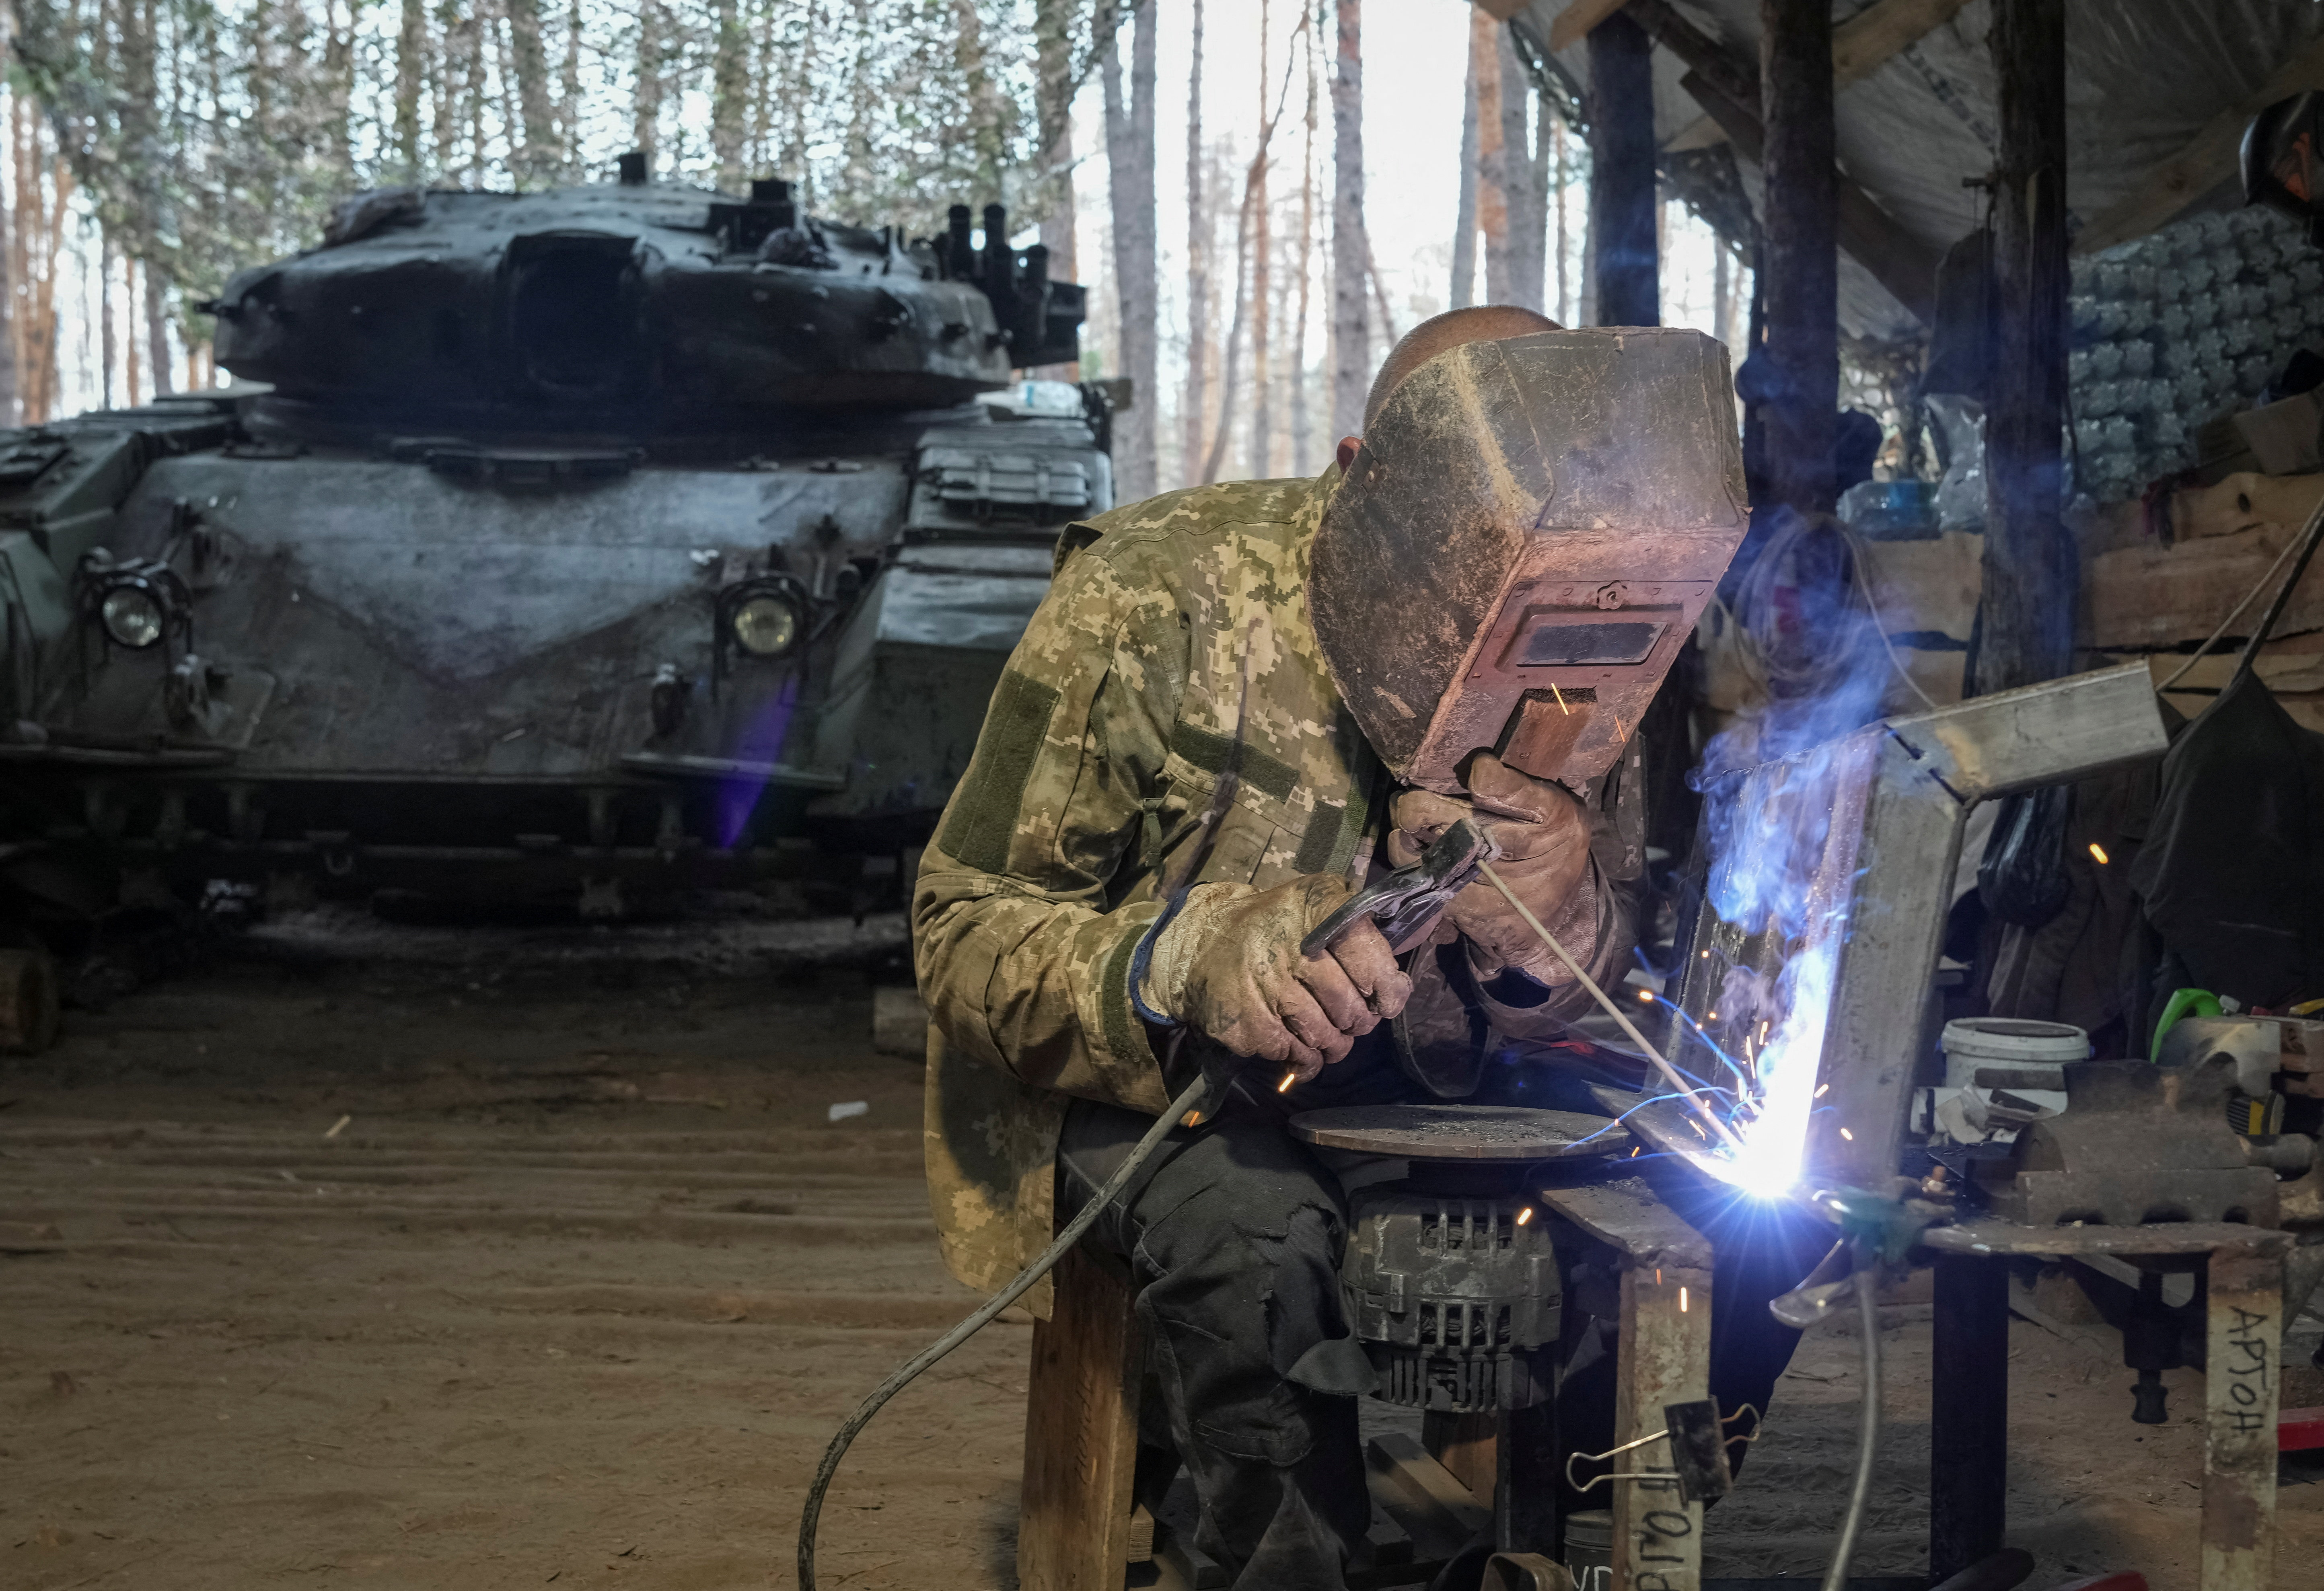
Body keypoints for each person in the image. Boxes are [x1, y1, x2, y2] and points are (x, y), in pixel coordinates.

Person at [913, 306, 1813, 1589]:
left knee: (1745, 1201)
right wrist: (1185, 959)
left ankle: (1555, 1537)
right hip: (1176, 1084)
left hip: (1447, 1093)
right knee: (1254, 1251)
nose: (1494, 618)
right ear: (1355, 479)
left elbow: (1623, 980)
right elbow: (960, 928)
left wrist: (1559, 927)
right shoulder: (1155, 591)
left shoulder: (1595, 619)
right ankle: (1273, 1554)